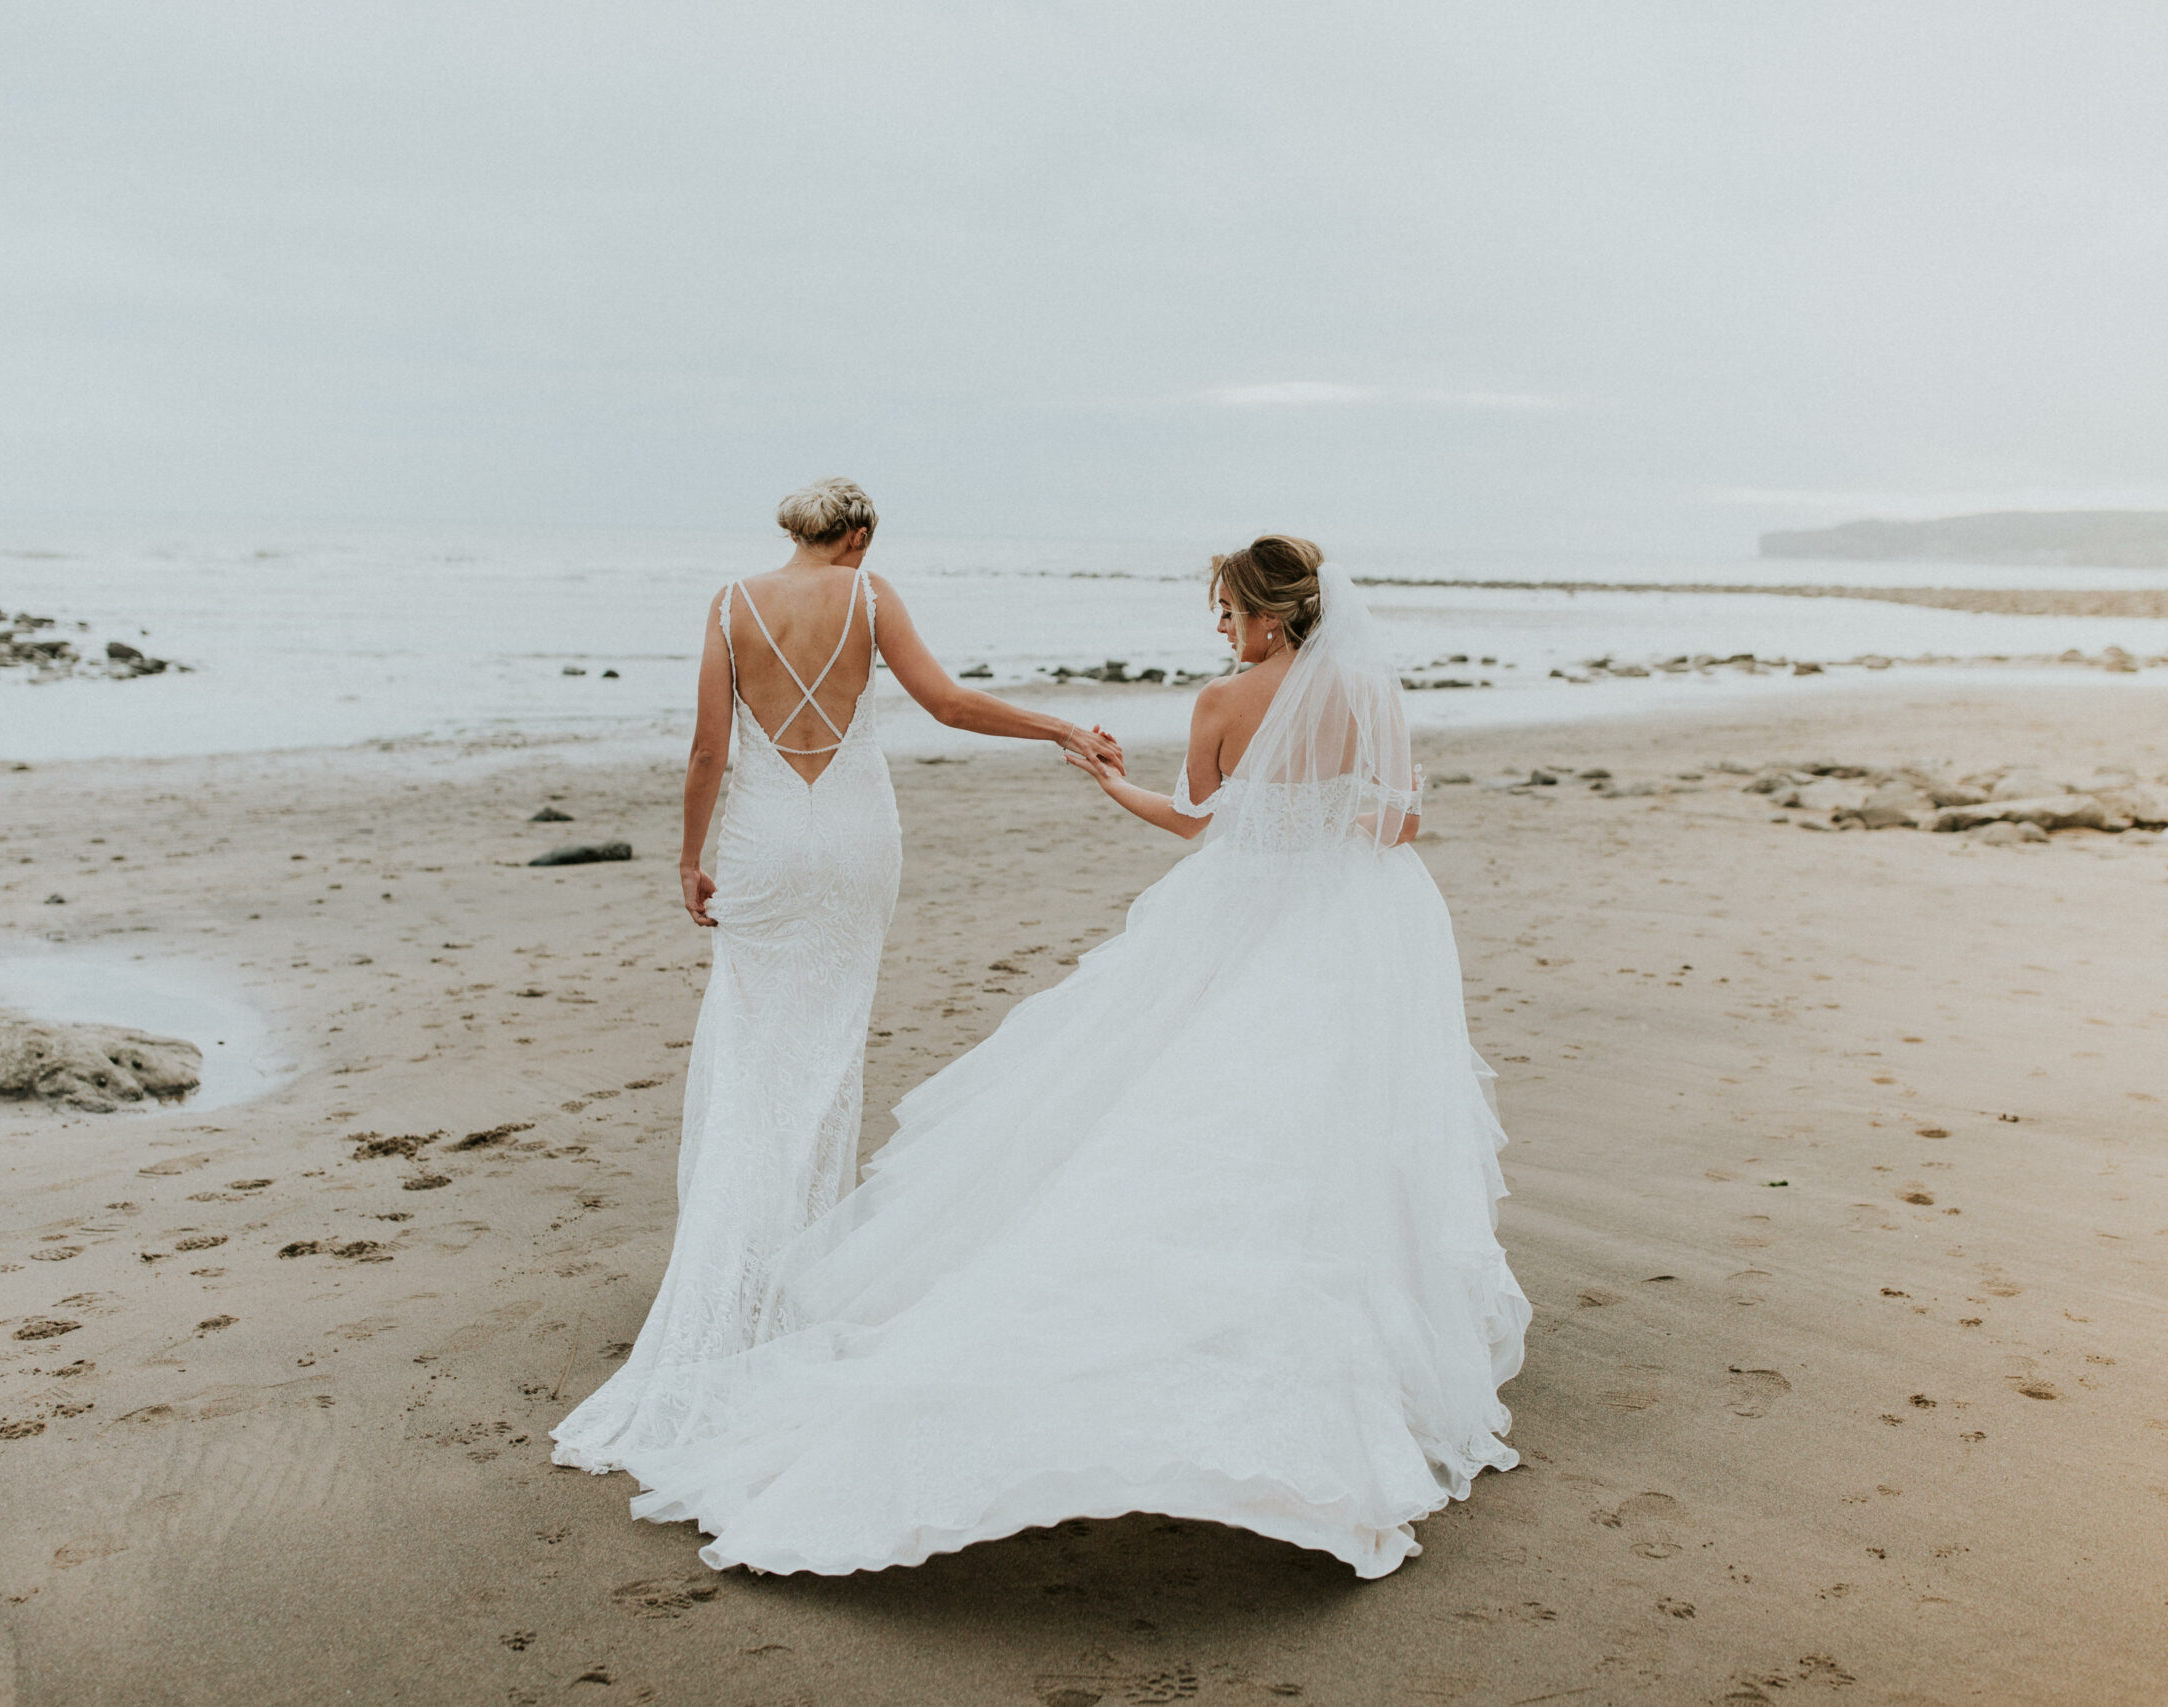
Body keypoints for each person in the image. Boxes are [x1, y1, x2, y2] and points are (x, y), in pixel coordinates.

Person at [561, 532, 1529, 1580]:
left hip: (1238, 920)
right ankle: (1360, 1355)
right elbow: (1397, 828)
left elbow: (1193, 826)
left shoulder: (1218, 707)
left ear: (1266, 615)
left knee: (1181, 1118)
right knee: (1339, 1127)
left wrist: (1103, 775)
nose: (1219, 628)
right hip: (1353, 930)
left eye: (1226, 611)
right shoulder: (1374, 699)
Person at [553, 478, 1121, 1475]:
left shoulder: (731, 604)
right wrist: (1062, 728)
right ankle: (795, 1271)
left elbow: (706, 751)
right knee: (827, 1048)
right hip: (857, 835)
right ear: (855, 535)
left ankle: (744, 1272)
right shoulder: (869, 595)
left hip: (767, 841)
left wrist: (689, 859)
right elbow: (945, 702)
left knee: (757, 1048)